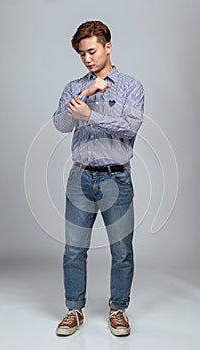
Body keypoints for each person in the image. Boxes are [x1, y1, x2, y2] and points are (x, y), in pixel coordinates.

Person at [52, 20, 145, 337]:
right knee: (73, 250)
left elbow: (130, 127)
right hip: (80, 179)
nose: (88, 58)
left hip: (117, 179)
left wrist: (90, 114)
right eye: (82, 54)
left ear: (107, 46)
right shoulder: (75, 87)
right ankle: (74, 311)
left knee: (122, 251)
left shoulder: (131, 87)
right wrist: (87, 92)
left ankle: (118, 310)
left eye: (92, 51)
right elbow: (61, 124)